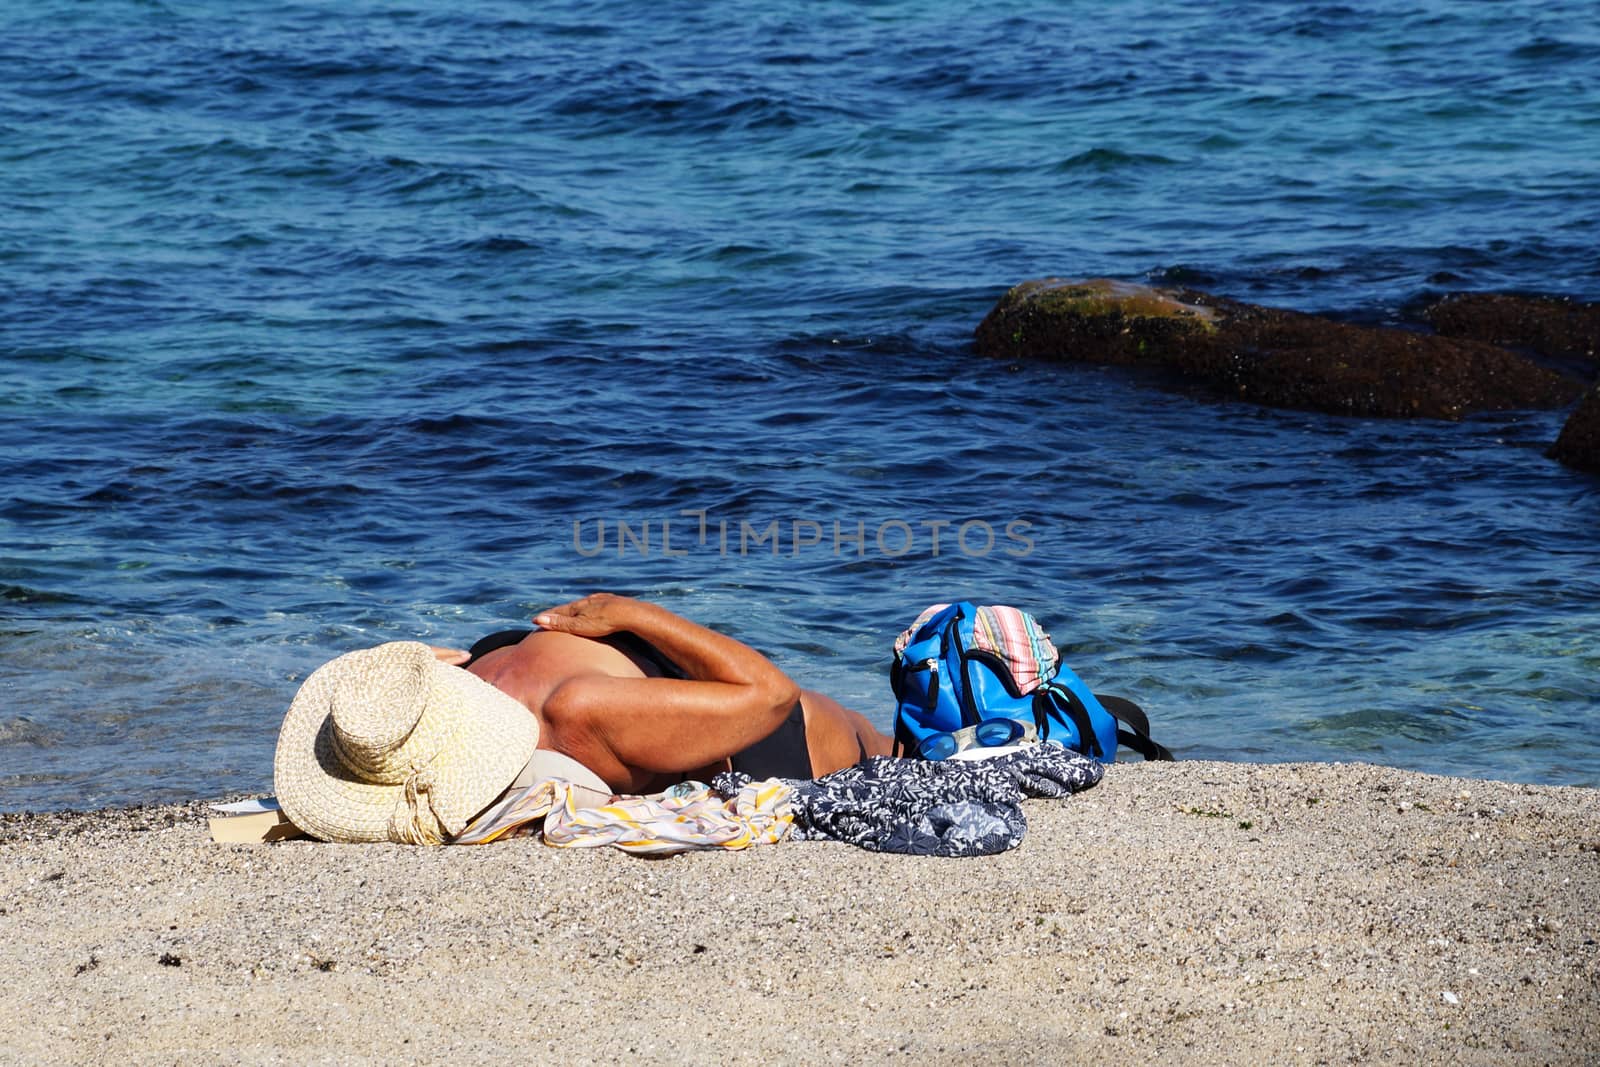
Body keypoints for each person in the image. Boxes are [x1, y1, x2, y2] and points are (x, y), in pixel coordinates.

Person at [434, 593, 892, 795]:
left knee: (894, 745)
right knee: (890, 750)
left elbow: (776, 697)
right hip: (750, 734)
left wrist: (634, 616)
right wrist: (631, 614)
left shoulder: (447, 678)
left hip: (746, 722)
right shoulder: (569, 706)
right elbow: (770, 695)